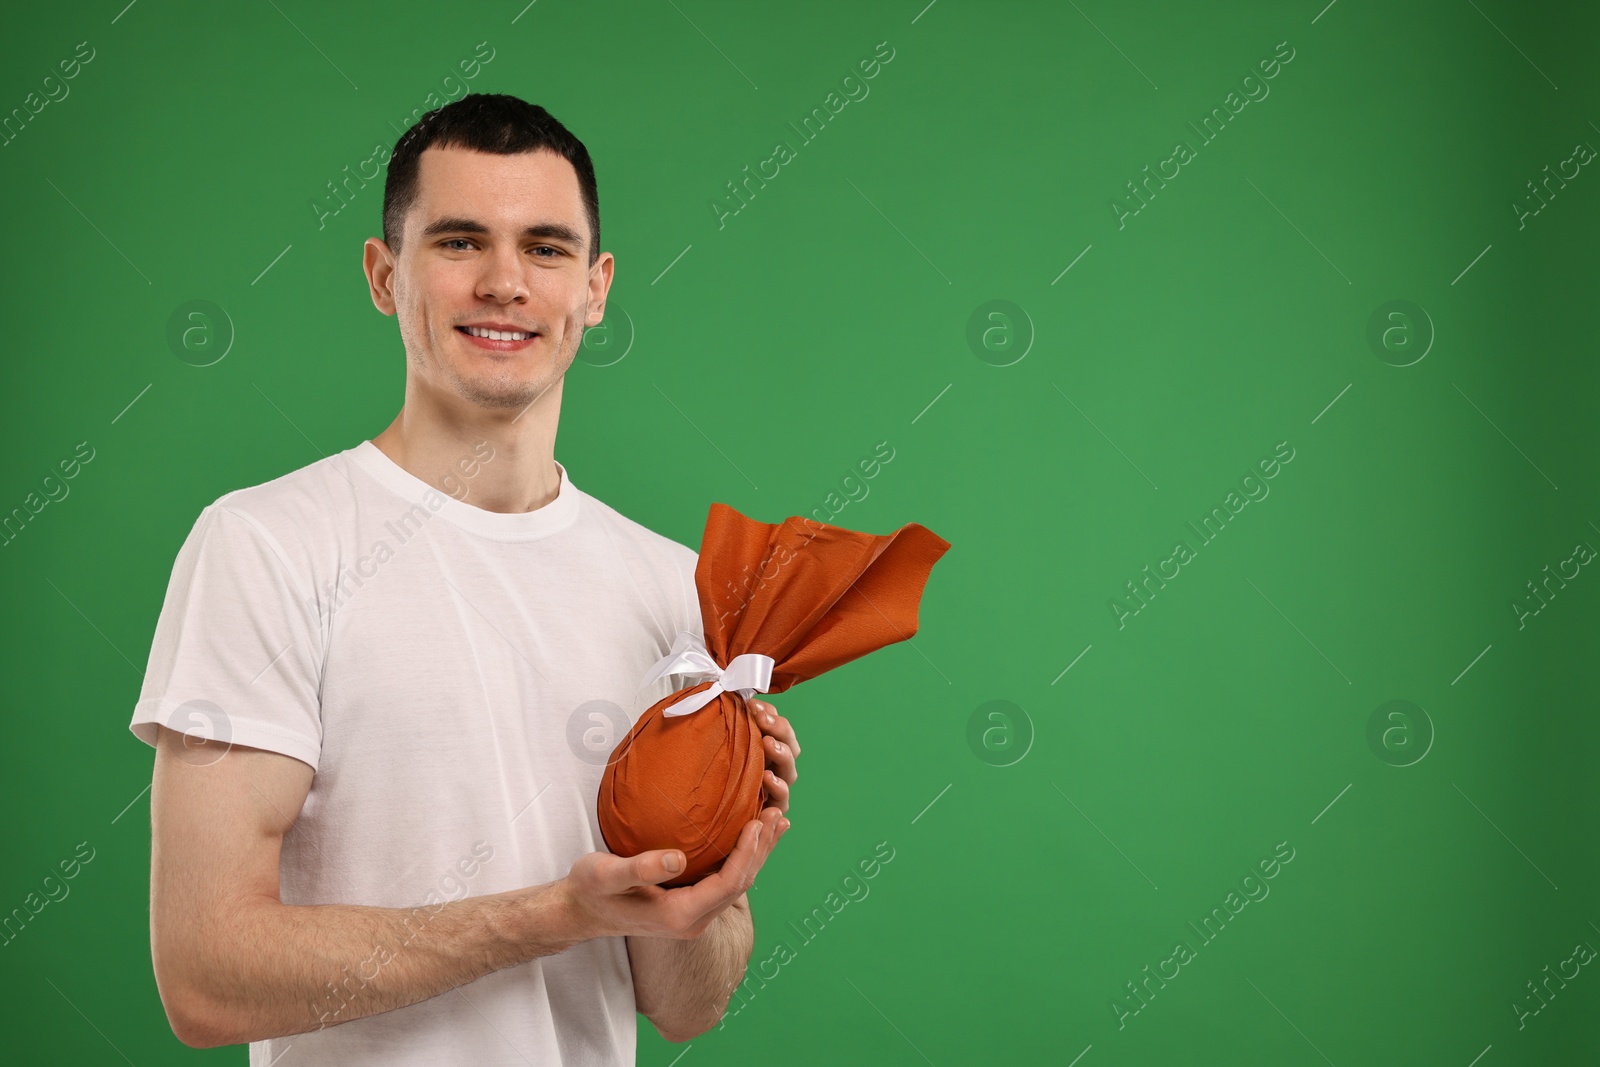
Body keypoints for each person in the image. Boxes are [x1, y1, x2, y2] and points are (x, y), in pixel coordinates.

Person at [127, 93, 799, 1064]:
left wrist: (714, 874)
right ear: (383, 273)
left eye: (546, 248)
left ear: (596, 286)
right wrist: (553, 913)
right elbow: (205, 973)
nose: (504, 282)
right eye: (458, 242)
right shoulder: (267, 545)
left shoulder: (676, 587)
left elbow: (684, 1006)